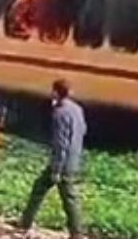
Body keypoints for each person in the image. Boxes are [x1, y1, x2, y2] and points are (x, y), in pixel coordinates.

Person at [18, 79, 86, 239]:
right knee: (48, 189)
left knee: (68, 196)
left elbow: (60, 144)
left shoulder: (59, 113)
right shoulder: (77, 109)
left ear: (56, 92)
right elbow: (83, 130)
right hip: (74, 158)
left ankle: (76, 232)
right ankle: (26, 221)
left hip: (62, 163)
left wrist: (56, 170)